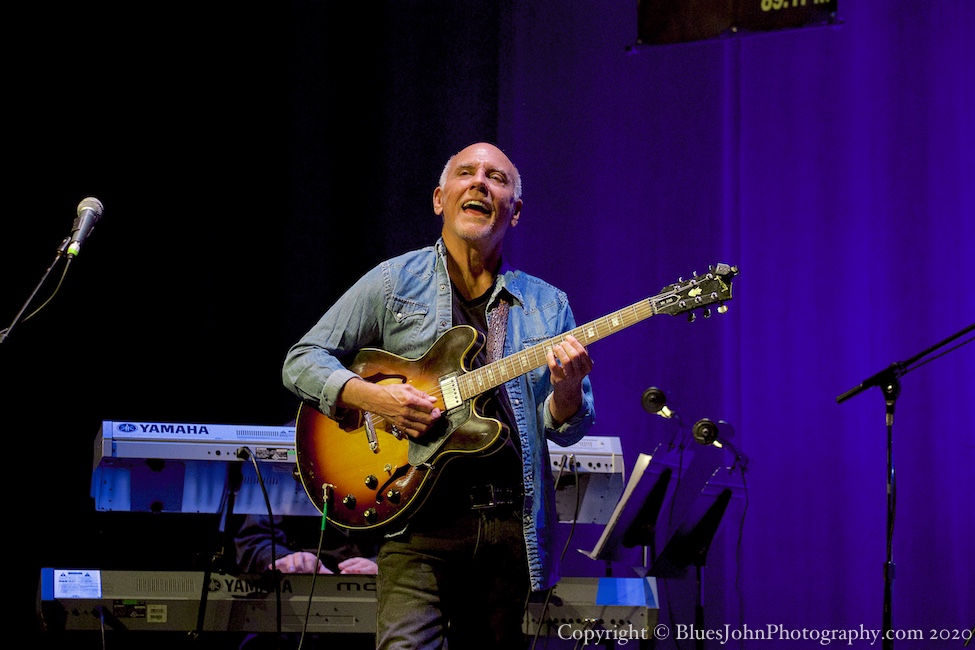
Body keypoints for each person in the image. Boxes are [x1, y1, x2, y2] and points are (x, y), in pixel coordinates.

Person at [281, 142, 596, 649]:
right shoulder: (392, 282)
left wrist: (566, 390)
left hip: (508, 530)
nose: (480, 183)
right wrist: (371, 398)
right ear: (439, 199)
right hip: (416, 525)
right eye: (466, 173)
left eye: (497, 178)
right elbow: (302, 359)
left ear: (514, 210)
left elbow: (568, 427)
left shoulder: (547, 304)